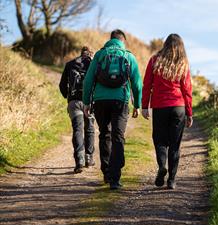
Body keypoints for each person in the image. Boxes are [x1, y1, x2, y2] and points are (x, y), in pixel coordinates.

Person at [82, 29, 142, 190]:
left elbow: (88, 79)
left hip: (100, 101)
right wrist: (137, 104)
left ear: (110, 40)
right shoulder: (128, 56)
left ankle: (107, 173)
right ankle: (115, 177)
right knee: (118, 136)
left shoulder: (100, 55)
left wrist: (86, 102)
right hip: (120, 100)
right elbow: (136, 82)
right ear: (123, 41)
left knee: (105, 134)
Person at [141, 34, 193, 190]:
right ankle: (171, 180)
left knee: (160, 140)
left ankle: (162, 165)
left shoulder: (154, 60)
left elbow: (147, 84)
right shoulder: (183, 63)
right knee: (175, 145)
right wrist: (189, 113)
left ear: (165, 44)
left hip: (160, 107)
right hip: (178, 107)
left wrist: (144, 106)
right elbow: (187, 90)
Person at [59, 46, 95, 174]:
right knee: (89, 129)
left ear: (81, 53)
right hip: (90, 103)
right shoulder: (94, 64)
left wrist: (68, 97)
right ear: (91, 53)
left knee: (77, 129)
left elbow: (62, 85)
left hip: (74, 102)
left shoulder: (70, 64)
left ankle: (79, 160)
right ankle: (88, 158)